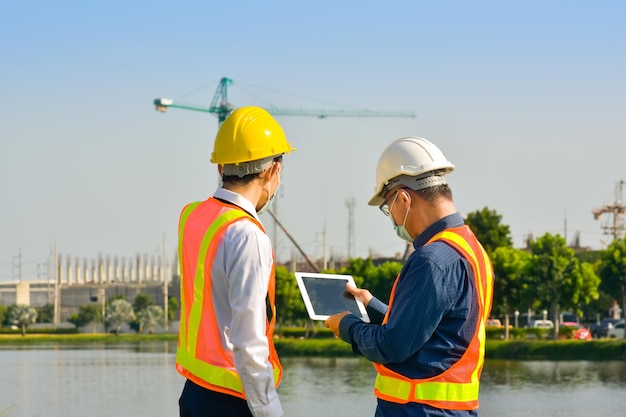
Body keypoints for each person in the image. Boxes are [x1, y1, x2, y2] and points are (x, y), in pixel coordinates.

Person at [325, 136, 494, 416]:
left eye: (387, 207)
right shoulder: (471, 249)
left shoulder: (431, 259)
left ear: (403, 198)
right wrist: (372, 306)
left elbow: (392, 345)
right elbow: (428, 329)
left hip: (418, 411)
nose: (390, 217)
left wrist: (348, 327)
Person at [176, 106, 295, 417]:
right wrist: (270, 412)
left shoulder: (192, 216)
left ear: (221, 168)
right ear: (273, 171)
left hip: (194, 392)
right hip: (231, 399)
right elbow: (248, 341)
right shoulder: (246, 235)